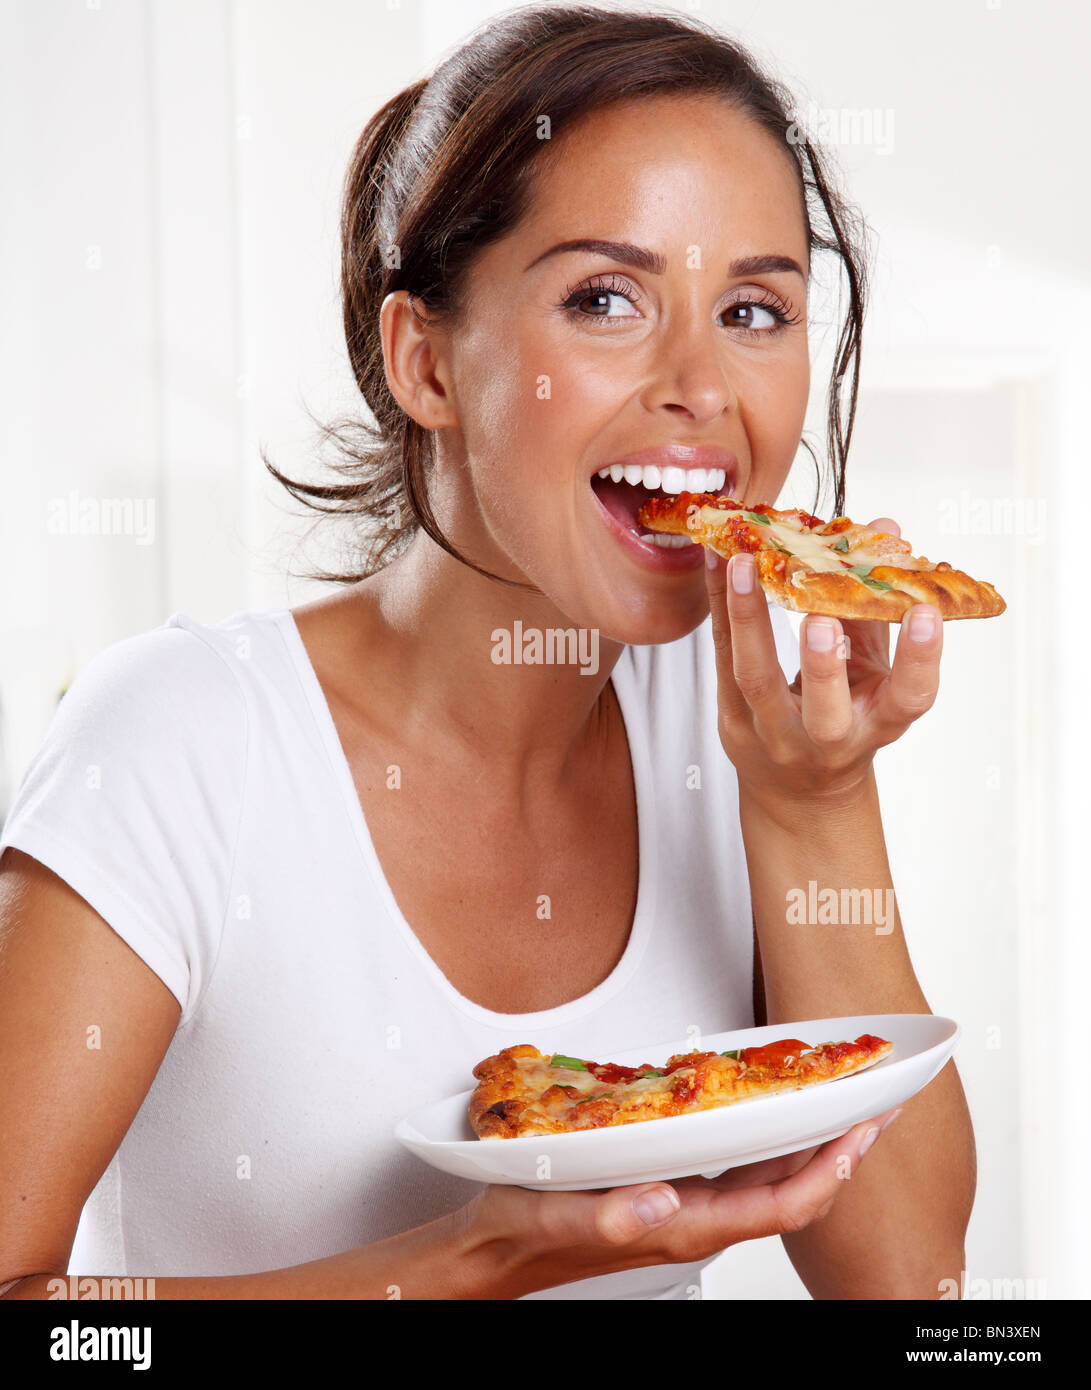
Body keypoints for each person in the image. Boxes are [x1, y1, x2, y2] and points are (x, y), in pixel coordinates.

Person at [0, 5, 974, 1300]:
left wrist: (818, 800)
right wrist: (478, 1253)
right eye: (605, 297)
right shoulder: (182, 743)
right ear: (427, 363)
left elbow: (911, 1292)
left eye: (753, 308)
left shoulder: (743, 722)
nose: (703, 385)